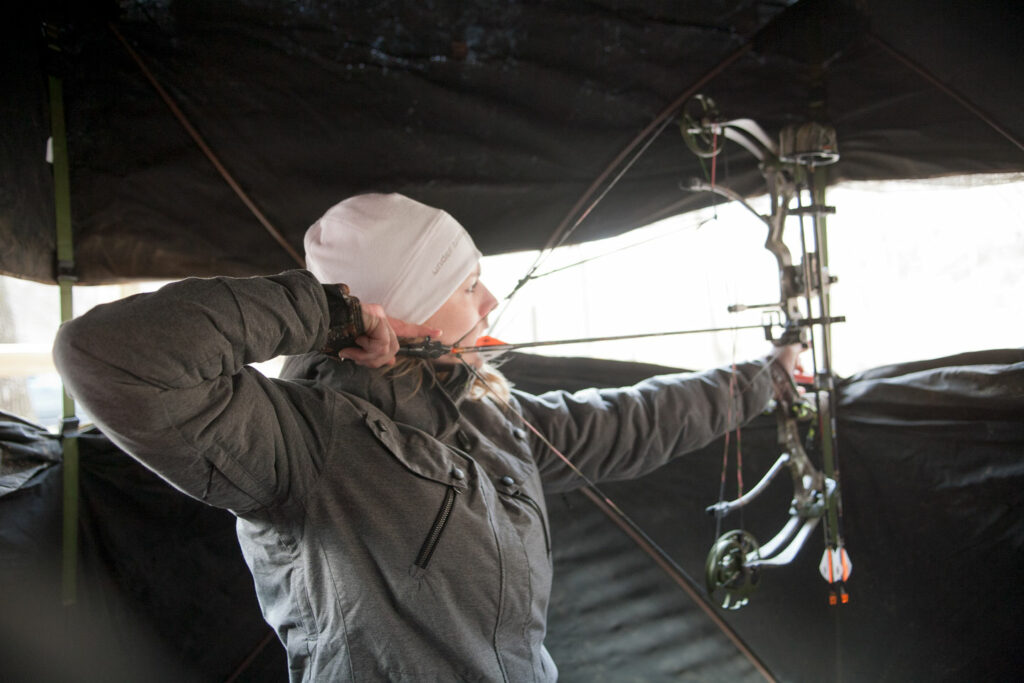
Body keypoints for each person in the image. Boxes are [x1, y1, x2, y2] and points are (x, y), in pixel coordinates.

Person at [54, 193, 802, 682]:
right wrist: (330, 314)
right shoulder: (300, 434)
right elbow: (106, 355)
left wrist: (765, 377)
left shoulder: (487, 411)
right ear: (403, 304)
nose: (489, 297)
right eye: (465, 280)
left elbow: (630, 419)